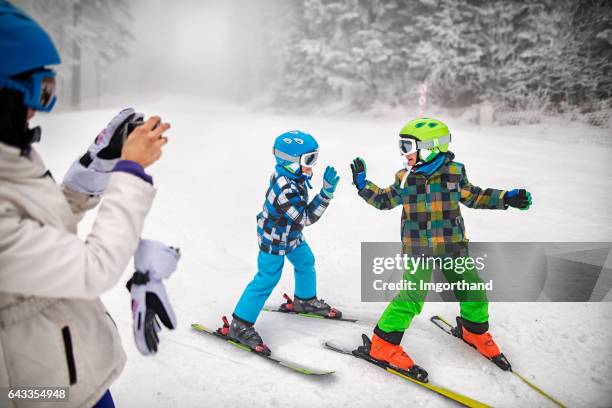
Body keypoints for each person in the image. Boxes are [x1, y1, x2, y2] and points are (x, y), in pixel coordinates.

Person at [0, 2, 175, 406]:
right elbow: (92, 268)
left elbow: (41, 229)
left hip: (71, 375)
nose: (39, 106)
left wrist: (98, 167)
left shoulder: (11, 157)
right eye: (39, 90)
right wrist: (131, 171)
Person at [350, 118, 532, 381]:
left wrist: (507, 198)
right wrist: (362, 184)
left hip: (452, 247)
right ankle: (383, 346)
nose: (404, 153)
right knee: (411, 298)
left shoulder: (455, 173)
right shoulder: (405, 178)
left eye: (408, 146)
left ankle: (474, 331)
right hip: (418, 249)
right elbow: (383, 199)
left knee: (473, 289)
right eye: (401, 146)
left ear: (431, 147)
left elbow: (476, 196)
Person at [223, 130, 341, 355]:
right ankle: (240, 324)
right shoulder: (285, 188)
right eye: (308, 160)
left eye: (314, 158)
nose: (312, 166)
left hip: (291, 234)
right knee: (267, 277)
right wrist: (325, 194)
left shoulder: (294, 178)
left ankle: (304, 300)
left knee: (306, 261)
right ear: (289, 162)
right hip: (274, 238)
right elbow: (306, 217)